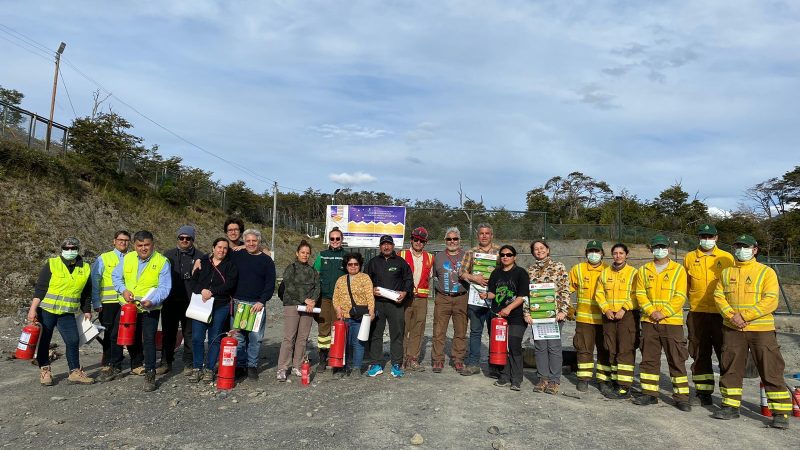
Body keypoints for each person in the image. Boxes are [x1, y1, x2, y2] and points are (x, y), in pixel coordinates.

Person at [712, 234, 791, 428]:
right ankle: (730, 406)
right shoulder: (726, 272)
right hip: (732, 328)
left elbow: (770, 300)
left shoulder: (766, 272)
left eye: (746, 246)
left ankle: (780, 413)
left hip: (761, 329)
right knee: (731, 367)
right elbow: (718, 296)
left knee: (770, 369)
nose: (741, 250)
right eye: (738, 246)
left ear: (755, 250)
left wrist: (744, 316)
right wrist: (732, 316)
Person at [632, 234, 690, 411]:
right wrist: (651, 312)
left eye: (662, 247)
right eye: (656, 247)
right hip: (649, 322)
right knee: (649, 359)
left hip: (671, 322)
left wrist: (663, 313)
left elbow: (680, 296)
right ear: (651, 249)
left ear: (669, 249)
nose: (659, 250)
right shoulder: (644, 270)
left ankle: (681, 397)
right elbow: (640, 293)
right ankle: (650, 394)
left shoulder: (678, 270)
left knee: (676, 359)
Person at [108, 230, 172, 392]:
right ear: (134, 246)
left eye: (147, 245)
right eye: (140, 245)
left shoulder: (162, 261)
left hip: (149, 308)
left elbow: (164, 288)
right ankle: (115, 366)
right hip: (127, 307)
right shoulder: (127, 258)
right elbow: (116, 277)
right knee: (117, 335)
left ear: (153, 244)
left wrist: (153, 301)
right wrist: (123, 290)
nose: (143, 248)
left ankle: (150, 373)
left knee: (149, 340)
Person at [27, 237, 93, 386]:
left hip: (67, 313)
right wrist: (32, 309)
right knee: (45, 341)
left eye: (73, 248)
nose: (70, 251)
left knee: (73, 340)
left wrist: (87, 310)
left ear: (78, 249)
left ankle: (75, 372)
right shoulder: (52, 264)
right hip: (47, 311)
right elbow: (40, 289)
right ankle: (45, 371)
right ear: (62, 250)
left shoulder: (85, 268)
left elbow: (86, 293)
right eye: (67, 248)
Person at [683, 223, 734, 405]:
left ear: (716, 238)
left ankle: (729, 397)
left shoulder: (727, 258)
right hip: (698, 313)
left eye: (710, 236)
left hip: (722, 314)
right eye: (703, 236)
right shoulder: (689, 258)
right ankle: (703, 393)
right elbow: (686, 286)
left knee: (726, 353)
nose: (706, 240)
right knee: (699, 353)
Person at [228, 228, 276, 381]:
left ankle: (252, 366)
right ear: (244, 242)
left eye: (254, 241)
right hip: (238, 303)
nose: (251, 244)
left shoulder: (267, 260)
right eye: (247, 241)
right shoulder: (236, 255)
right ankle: (240, 365)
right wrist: (199, 261)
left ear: (259, 242)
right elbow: (218, 254)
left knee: (255, 337)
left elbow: (270, 283)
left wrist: (262, 301)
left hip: (257, 305)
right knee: (239, 337)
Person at [188, 238, 238, 382]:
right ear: (213, 248)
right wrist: (202, 290)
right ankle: (197, 367)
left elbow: (230, 285)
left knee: (214, 338)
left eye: (225, 248)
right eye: (219, 247)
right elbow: (193, 281)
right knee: (197, 338)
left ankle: (210, 368)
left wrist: (212, 292)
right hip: (201, 304)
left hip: (220, 305)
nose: (221, 250)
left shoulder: (230, 266)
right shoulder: (203, 263)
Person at [365, 235, 413, 378]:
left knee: (397, 333)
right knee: (375, 333)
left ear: (393, 246)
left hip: (395, 304)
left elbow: (408, 280)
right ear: (380, 247)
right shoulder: (373, 262)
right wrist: (371, 289)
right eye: (383, 244)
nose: (386, 247)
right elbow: (365, 281)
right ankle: (376, 363)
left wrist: (405, 293)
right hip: (377, 304)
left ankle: (397, 364)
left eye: (389, 244)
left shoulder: (401, 262)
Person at [482, 245, 529, 391]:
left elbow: (522, 296)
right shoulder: (496, 273)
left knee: (514, 344)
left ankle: (516, 379)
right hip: (499, 316)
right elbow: (493, 293)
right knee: (501, 346)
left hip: (516, 316)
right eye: (502, 255)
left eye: (509, 254)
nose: (505, 257)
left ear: (514, 257)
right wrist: (486, 295)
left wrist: (508, 308)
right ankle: (504, 375)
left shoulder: (521, 273)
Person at [594, 243, 638, 399]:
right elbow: (599, 294)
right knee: (610, 348)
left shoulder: (634, 273)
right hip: (609, 316)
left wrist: (624, 309)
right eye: (615, 253)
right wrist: (606, 309)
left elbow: (636, 294)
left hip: (626, 316)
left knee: (625, 350)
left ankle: (625, 386)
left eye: (621, 253)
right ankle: (614, 380)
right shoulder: (605, 273)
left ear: (626, 254)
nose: (618, 256)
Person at [526, 240, 570, 395]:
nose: (539, 251)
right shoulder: (530, 270)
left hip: (554, 315)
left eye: (542, 248)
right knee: (540, 347)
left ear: (548, 249)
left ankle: (554, 380)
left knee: (553, 347)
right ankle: (543, 378)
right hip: (537, 315)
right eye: (536, 249)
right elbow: (527, 294)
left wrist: (563, 310)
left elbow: (565, 289)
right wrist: (527, 313)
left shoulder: (558, 266)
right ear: (533, 252)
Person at [459, 223, 501, 377]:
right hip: (476, 298)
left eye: (487, 233)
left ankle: (495, 365)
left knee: (494, 333)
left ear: (492, 235)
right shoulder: (471, 252)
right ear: (478, 236)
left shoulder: (500, 252)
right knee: (475, 332)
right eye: (481, 233)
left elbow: (509, 270)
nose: (484, 236)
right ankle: (473, 363)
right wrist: (474, 277)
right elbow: (461, 272)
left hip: (495, 299)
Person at [569, 240, 610, 394]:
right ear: (586, 253)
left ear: (602, 254)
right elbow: (567, 290)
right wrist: (568, 307)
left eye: (597, 251)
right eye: (591, 251)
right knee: (584, 349)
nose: (594, 254)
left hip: (605, 318)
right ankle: (583, 379)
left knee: (604, 349)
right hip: (584, 319)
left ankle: (603, 380)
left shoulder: (608, 270)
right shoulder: (578, 269)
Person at [277, 240, 320, 381]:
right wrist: (304, 299)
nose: (305, 255)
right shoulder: (291, 268)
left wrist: (312, 300)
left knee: (303, 337)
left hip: (308, 307)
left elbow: (317, 287)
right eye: (303, 252)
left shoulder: (313, 271)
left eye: (308, 253)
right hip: (292, 305)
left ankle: (298, 365)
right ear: (297, 253)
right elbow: (289, 286)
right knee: (289, 338)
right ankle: (282, 368)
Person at [158, 225, 198, 375]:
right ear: (178, 239)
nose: (185, 240)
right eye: (182, 238)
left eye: (188, 238)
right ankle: (165, 361)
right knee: (168, 333)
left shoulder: (200, 256)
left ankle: (188, 363)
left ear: (192, 240)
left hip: (190, 302)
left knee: (189, 334)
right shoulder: (167, 255)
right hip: (170, 301)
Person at [92, 230, 131, 376]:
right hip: (107, 303)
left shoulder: (132, 258)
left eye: (126, 240)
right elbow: (95, 280)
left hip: (125, 302)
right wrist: (96, 301)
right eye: (120, 240)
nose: (123, 242)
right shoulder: (104, 258)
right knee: (109, 333)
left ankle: (116, 362)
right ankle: (109, 362)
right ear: (114, 241)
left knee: (121, 332)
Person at [431, 227, 468, 373]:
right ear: (445, 240)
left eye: (455, 239)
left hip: (461, 298)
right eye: (449, 239)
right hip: (443, 297)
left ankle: (458, 359)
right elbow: (435, 276)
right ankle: (438, 360)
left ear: (460, 240)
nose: (452, 241)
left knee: (460, 330)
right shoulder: (438, 257)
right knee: (439, 330)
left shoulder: (467, 256)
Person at [333, 252, 375, 377]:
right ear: (346, 266)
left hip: (359, 317)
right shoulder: (340, 280)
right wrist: (338, 310)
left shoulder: (365, 278)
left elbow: (370, 297)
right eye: (350, 264)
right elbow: (336, 298)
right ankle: (341, 368)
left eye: (356, 264)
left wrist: (371, 311)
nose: (353, 266)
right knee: (343, 344)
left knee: (358, 343)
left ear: (360, 265)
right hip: (344, 317)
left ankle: (356, 367)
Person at [399, 226, 434, 371]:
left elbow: (430, 276)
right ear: (411, 240)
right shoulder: (401, 255)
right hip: (405, 298)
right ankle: (400, 358)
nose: (418, 242)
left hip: (421, 299)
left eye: (421, 240)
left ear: (425, 243)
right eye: (415, 239)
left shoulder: (430, 257)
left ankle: (412, 358)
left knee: (417, 328)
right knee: (403, 327)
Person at [313, 227, 346, 372]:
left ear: (342, 240)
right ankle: (322, 358)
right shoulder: (322, 255)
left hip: (340, 300)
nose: (335, 241)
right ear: (329, 240)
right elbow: (315, 275)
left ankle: (337, 358)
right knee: (324, 329)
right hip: (325, 298)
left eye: (337, 239)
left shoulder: (347, 256)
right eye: (332, 238)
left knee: (338, 328)